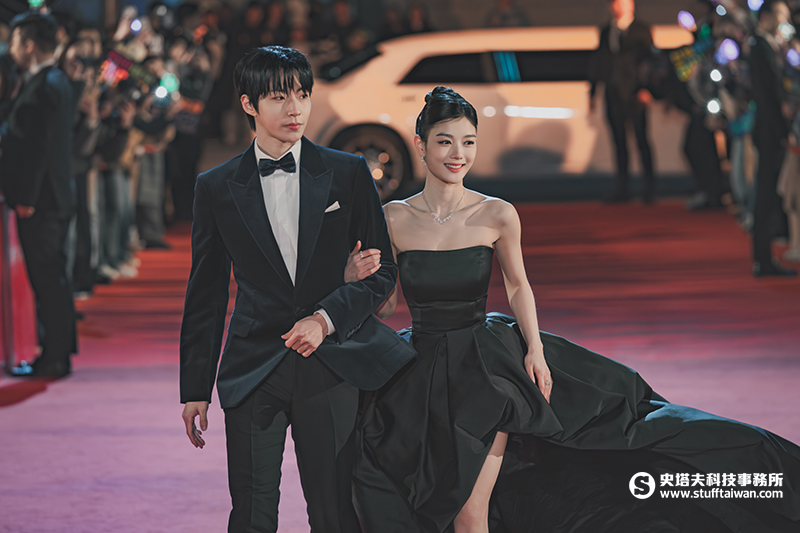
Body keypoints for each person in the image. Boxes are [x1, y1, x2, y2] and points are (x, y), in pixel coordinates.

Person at [348, 87, 800, 532]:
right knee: (423, 506)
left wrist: (535, 350)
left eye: (468, 142)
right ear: (420, 144)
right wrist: (355, 279)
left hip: (483, 370)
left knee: (470, 515)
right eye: (445, 142)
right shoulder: (394, 218)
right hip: (422, 372)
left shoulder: (497, 214)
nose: (458, 155)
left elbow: (518, 285)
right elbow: (386, 307)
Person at [179, 45, 415, 532]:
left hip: (331, 363)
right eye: (279, 97)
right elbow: (205, 293)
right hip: (253, 366)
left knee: (334, 514)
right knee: (251, 515)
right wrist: (194, 387)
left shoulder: (348, 172)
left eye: (303, 95)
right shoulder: (216, 186)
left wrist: (325, 318)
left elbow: (383, 272)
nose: (295, 109)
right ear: (249, 104)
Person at [0, 12, 77, 378]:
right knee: (52, 278)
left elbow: (38, 148)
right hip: (52, 196)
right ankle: (58, 352)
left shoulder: (46, 84)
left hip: (43, 200)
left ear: (29, 45)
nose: (11, 48)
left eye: (15, 41)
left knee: (48, 279)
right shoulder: (52, 80)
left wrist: (26, 197)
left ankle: (55, 357)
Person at [589, 0, 656, 203]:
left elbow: (650, 60)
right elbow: (599, 61)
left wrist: (647, 88)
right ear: (612, 6)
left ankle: (650, 189)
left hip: (635, 93)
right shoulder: (605, 32)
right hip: (613, 93)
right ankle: (623, 188)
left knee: (642, 140)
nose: (625, 5)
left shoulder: (642, 30)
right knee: (618, 142)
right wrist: (593, 92)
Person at [749, 0, 796, 276]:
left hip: (770, 130)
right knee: (765, 195)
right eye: (781, 15)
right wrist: (782, 132)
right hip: (769, 132)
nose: (784, 20)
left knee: (767, 194)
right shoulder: (760, 47)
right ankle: (763, 260)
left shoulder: (768, 46)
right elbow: (768, 97)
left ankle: (764, 258)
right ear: (766, 16)